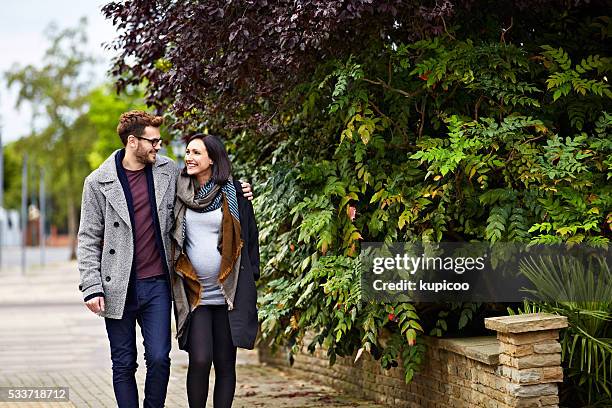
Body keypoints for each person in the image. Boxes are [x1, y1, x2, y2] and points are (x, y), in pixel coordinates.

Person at [77, 111, 253, 408]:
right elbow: (88, 237)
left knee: (159, 358)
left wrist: (240, 189)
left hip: (158, 283)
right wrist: (91, 286)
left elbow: (202, 189)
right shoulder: (97, 182)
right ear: (133, 142)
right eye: (153, 141)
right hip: (116, 285)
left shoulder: (168, 172)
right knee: (123, 363)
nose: (159, 146)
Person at [170, 133, 259, 408]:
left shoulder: (234, 192)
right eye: (188, 152)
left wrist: (250, 279)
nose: (189, 158)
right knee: (199, 359)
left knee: (224, 363)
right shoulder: (178, 192)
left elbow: (251, 238)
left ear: (212, 158)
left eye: (196, 153)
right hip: (195, 294)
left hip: (227, 294)